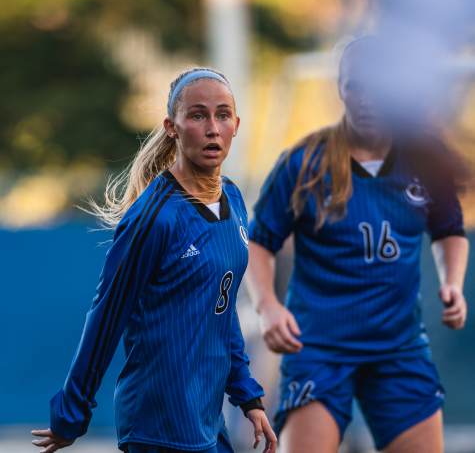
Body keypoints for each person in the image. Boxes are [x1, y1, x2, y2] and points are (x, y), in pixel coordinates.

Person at [31, 68, 277, 453]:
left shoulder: (234, 201)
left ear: (236, 124)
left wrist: (247, 395)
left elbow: (221, 308)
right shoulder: (155, 217)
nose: (213, 128)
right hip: (157, 425)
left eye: (222, 115)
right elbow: (105, 316)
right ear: (172, 127)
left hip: (206, 422)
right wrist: (71, 413)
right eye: (197, 115)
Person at [245, 37, 469, 453]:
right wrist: (267, 307)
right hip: (319, 346)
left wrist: (452, 282)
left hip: (398, 345)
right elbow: (259, 242)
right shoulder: (303, 161)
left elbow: (449, 229)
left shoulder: (425, 157)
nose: (365, 98)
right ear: (340, 88)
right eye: (353, 86)